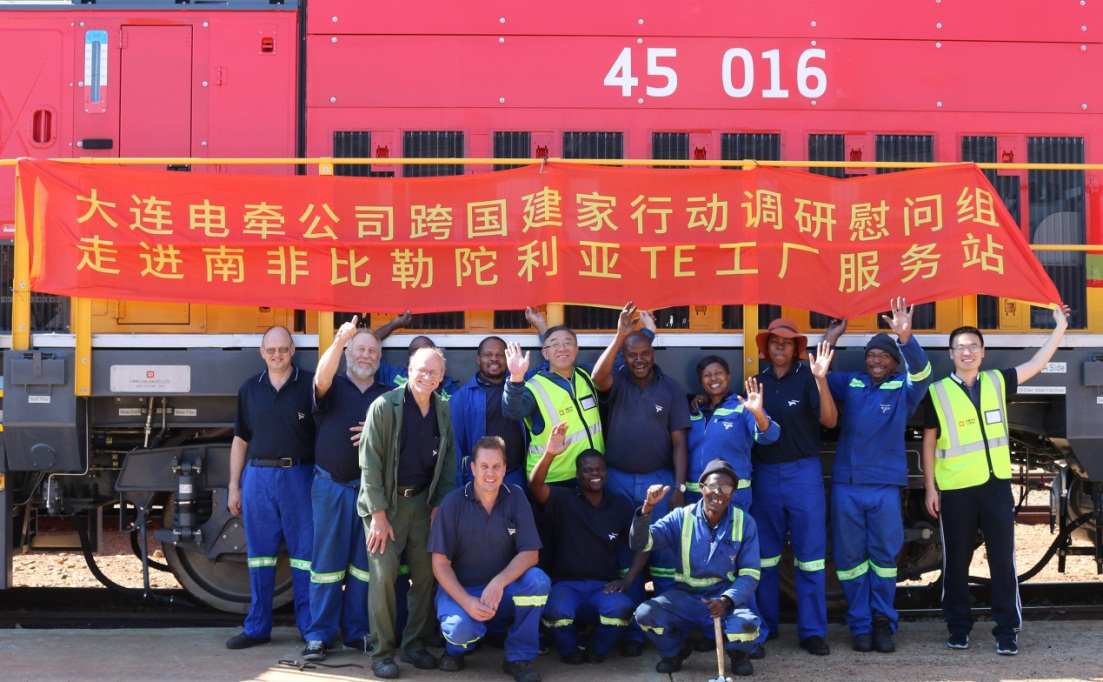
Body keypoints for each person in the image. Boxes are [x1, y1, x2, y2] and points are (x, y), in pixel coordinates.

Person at [922, 305, 1070, 656]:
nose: (967, 352)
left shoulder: (997, 381)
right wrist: (930, 487)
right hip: (956, 489)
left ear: (983, 352)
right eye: (961, 347)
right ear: (951, 354)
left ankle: (1007, 631)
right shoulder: (937, 391)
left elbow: (1036, 364)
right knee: (956, 563)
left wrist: (1060, 329)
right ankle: (959, 629)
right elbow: (929, 442)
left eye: (973, 346)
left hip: (995, 487)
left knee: (1003, 561)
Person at [826, 297, 932, 654]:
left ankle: (883, 622)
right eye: (871, 355)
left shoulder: (904, 389)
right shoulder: (852, 383)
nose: (875, 361)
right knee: (850, 561)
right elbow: (817, 374)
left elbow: (923, 373)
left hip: (884, 487)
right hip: (848, 486)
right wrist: (831, 337)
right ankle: (860, 625)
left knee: (884, 560)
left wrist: (906, 338)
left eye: (883, 356)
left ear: (893, 362)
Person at [358, 346, 456, 678]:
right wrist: (378, 515)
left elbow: (448, 460)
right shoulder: (384, 406)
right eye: (422, 370)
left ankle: (414, 645)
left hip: (423, 505)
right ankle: (383, 653)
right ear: (409, 370)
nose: (428, 377)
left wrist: (439, 504)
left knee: (426, 576)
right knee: (384, 577)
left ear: (442, 377)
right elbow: (369, 463)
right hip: (388, 506)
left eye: (435, 372)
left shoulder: (443, 409)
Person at [301, 317, 392, 661]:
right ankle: (318, 635)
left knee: (363, 566)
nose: (366, 355)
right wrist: (339, 341)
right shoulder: (333, 386)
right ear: (349, 354)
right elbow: (320, 379)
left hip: (371, 495)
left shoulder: (388, 397)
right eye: (360, 349)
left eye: (372, 351)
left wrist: (375, 432)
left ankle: (357, 632)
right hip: (332, 488)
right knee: (326, 564)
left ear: (379, 358)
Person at [751, 319, 840, 657]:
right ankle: (766, 625)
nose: (780, 346)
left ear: (796, 349)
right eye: (774, 341)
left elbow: (830, 421)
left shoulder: (808, 378)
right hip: (766, 474)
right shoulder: (756, 382)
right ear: (766, 347)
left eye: (787, 342)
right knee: (765, 558)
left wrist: (821, 379)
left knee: (811, 558)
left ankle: (813, 632)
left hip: (804, 473)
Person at [430, 436, 550, 682]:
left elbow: (530, 553)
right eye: (484, 466)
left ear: (505, 468)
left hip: (500, 591)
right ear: (472, 468)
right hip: (462, 591)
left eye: (496, 466)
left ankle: (518, 658)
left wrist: (498, 582)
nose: (490, 473)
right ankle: (454, 652)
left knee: (537, 582)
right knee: (460, 630)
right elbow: (440, 564)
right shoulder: (452, 503)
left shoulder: (516, 497)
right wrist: (467, 602)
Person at [225, 325, 315, 650]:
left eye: (283, 349)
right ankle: (258, 627)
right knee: (260, 556)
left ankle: (311, 630)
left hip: (299, 476)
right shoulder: (249, 388)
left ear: (293, 351)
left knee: (304, 557)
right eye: (271, 350)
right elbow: (240, 440)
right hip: (258, 478)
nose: (277, 355)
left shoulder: (310, 386)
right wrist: (234, 485)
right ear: (262, 353)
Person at [630, 459, 763, 677]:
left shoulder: (745, 522)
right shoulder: (681, 516)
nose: (718, 493)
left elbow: (751, 574)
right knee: (646, 613)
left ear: (732, 493)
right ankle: (675, 651)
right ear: (702, 488)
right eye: (713, 486)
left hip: (723, 600)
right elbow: (641, 543)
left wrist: (727, 600)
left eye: (726, 488)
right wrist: (648, 508)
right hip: (687, 599)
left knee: (747, 625)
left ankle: (738, 653)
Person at [529, 422, 648, 664]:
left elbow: (643, 542)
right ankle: (568, 650)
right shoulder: (564, 499)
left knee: (621, 609)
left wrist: (628, 580)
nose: (595, 474)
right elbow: (536, 486)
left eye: (599, 469)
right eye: (588, 470)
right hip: (567, 585)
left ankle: (598, 648)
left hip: (603, 588)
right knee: (555, 611)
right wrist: (550, 453)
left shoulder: (619, 505)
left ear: (607, 472)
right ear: (577, 474)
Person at [591, 302, 690, 591]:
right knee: (623, 547)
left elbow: (679, 442)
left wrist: (679, 487)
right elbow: (597, 378)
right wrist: (620, 335)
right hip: (617, 480)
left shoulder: (671, 388)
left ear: (652, 352)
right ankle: (628, 612)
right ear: (623, 356)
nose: (639, 360)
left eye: (644, 353)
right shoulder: (617, 380)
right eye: (632, 355)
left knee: (662, 547)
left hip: (658, 479)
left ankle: (663, 611)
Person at [686, 358, 780, 511]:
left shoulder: (743, 406)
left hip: (732, 495)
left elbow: (769, 436)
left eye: (719, 373)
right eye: (707, 375)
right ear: (701, 381)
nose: (713, 378)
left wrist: (758, 412)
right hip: (695, 495)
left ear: (728, 376)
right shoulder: (695, 411)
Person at [450, 336, 529, 489]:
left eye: (500, 355)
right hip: (479, 479)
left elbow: (551, 363)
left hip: (515, 475)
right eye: (488, 355)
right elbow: (454, 447)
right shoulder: (462, 397)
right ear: (478, 359)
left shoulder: (521, 386)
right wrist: (459, 487)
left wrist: (543, 330)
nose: (494, 359)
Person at [372, 311, 461, 397]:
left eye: (426, 349)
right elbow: (369, 344)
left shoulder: (451, 391)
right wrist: (394, 325)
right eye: (416, 351)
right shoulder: (396, 377)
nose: (422, 354)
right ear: (409, 365)